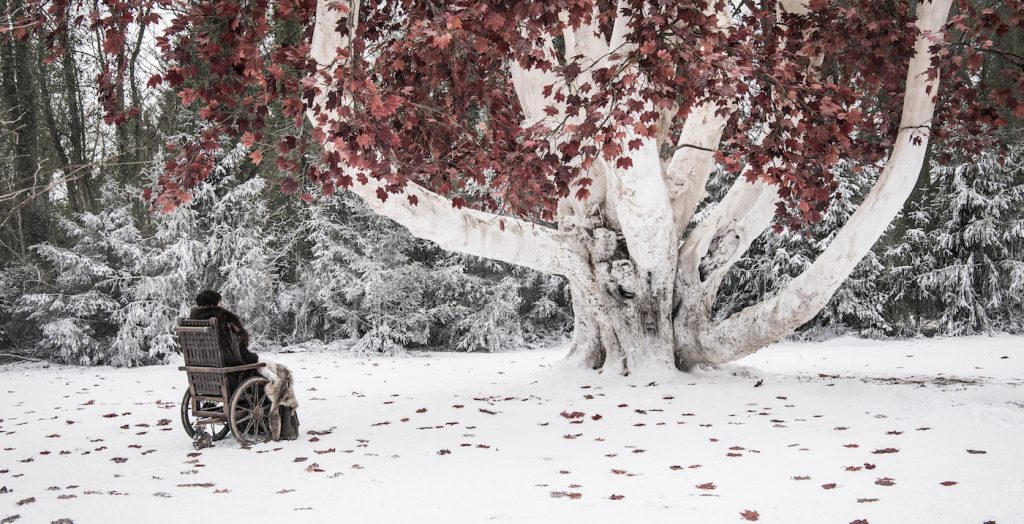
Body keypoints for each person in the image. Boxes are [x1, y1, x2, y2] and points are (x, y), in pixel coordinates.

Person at [188, 289, 259, 366]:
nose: (222, 304)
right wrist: (253, 357)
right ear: (213, 305)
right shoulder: (223, 321)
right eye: (220, 302)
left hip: (199, 366)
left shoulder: (191, 323)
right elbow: (240, 353)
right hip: (227, 367)